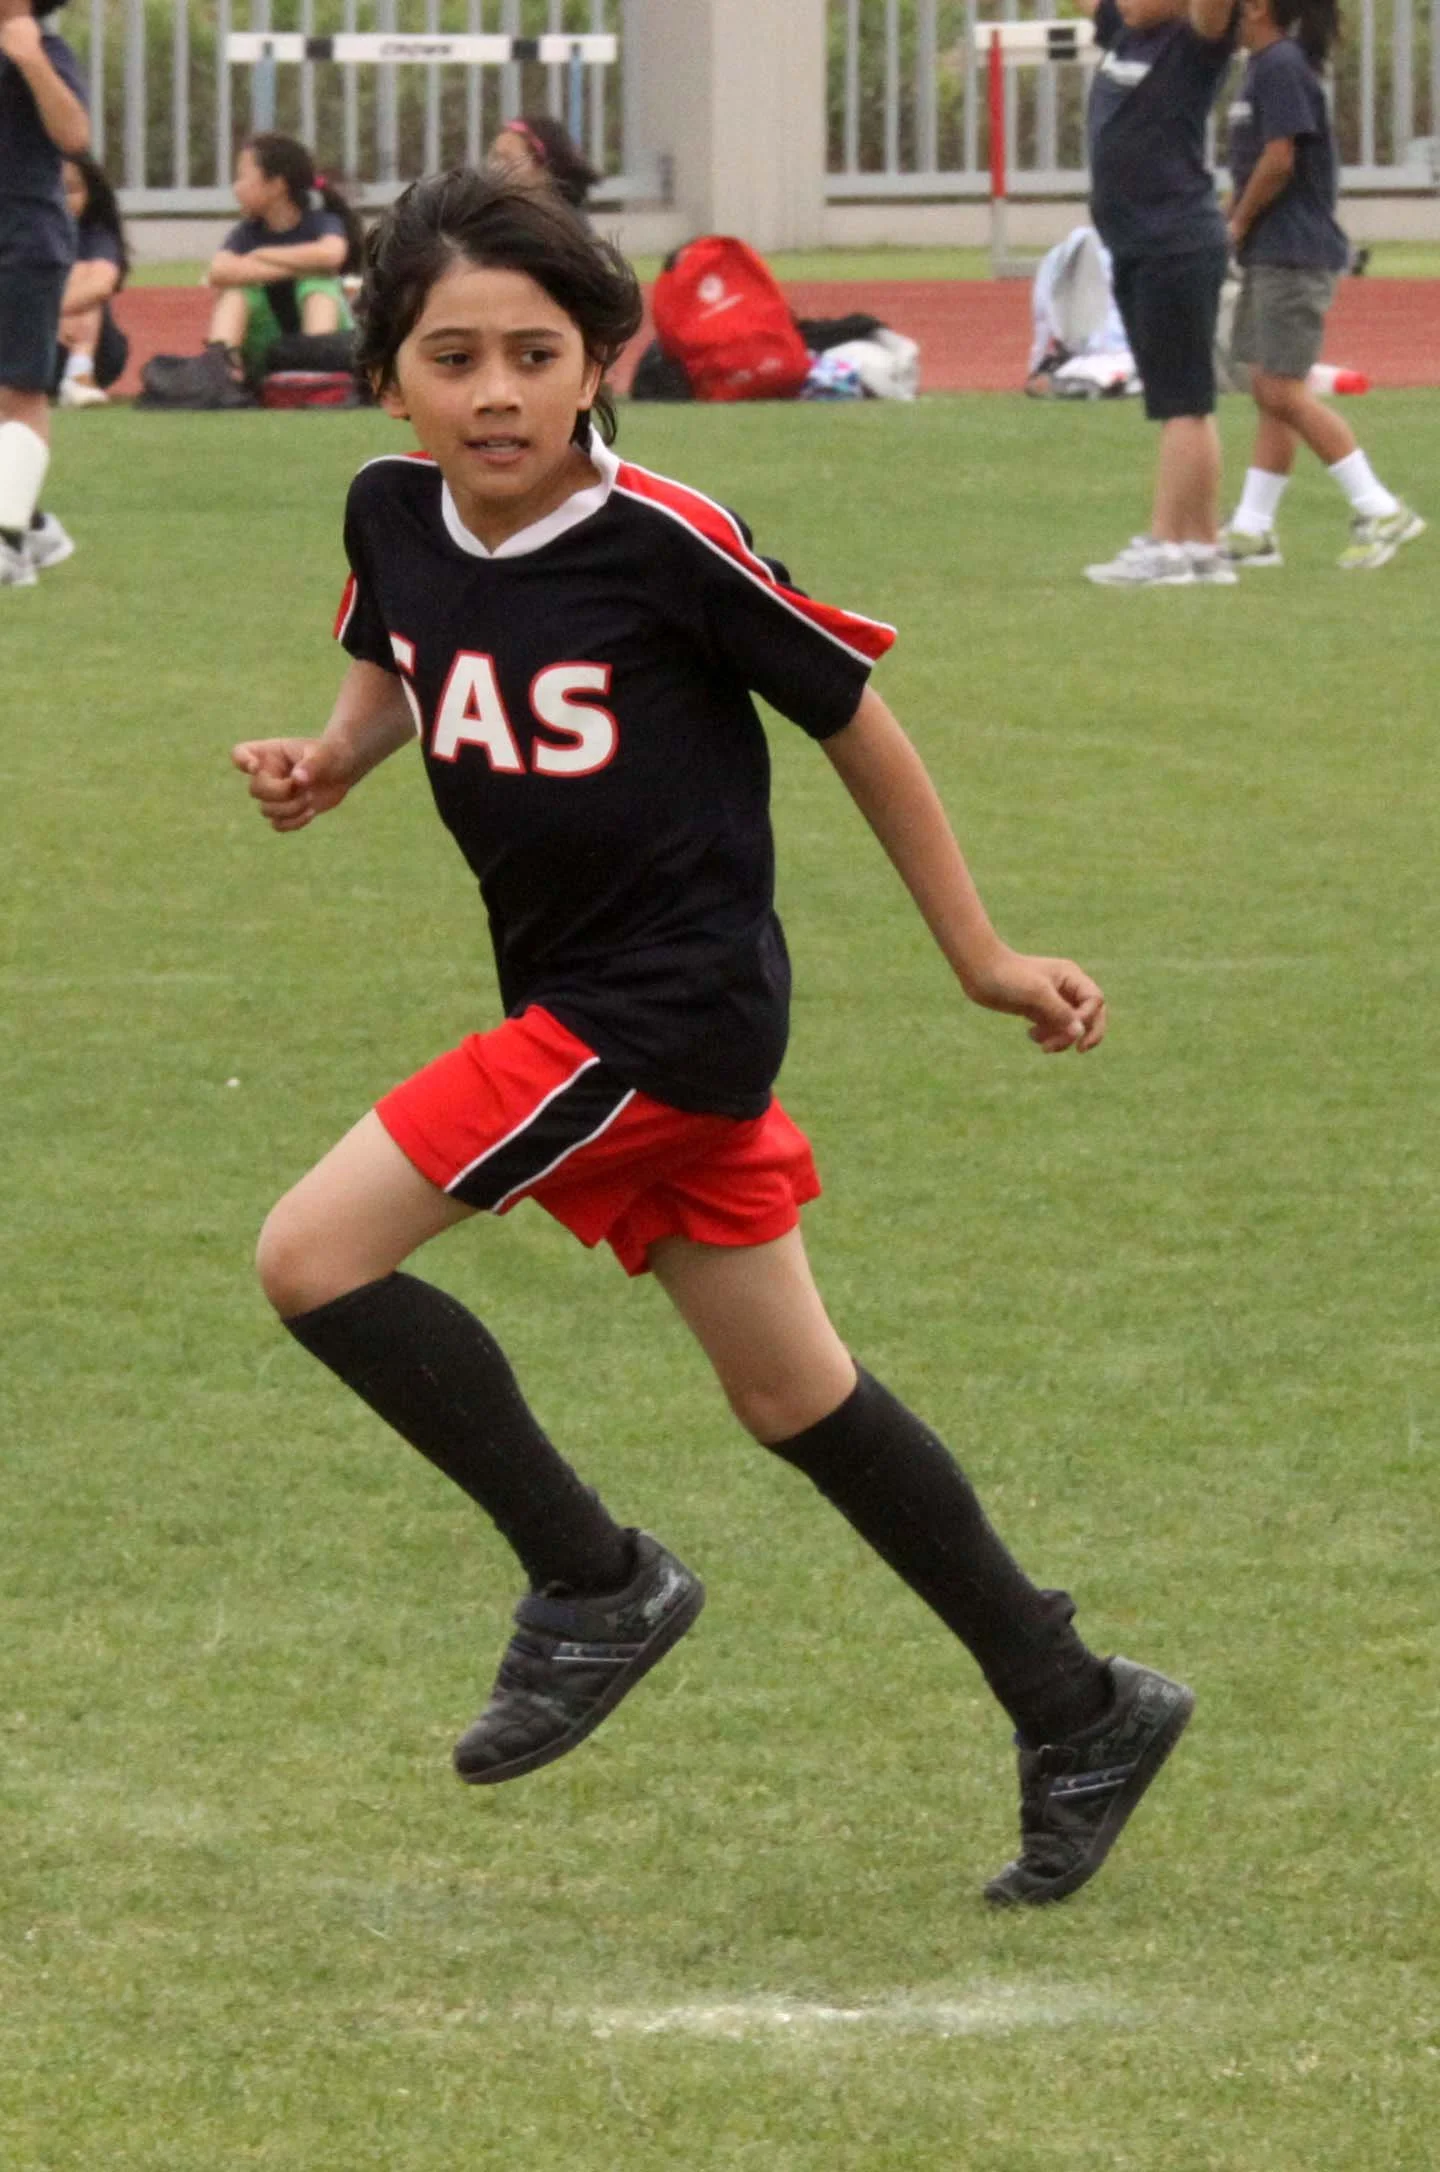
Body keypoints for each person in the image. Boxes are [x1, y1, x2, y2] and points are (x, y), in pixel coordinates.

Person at [231, 169, 1193, 1908]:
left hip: (661, 1016)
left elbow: (857, 721)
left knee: (312, 1256)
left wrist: (977, 954)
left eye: (538, 352)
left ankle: (592, 1578)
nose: (498, 391)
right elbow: (396, 655)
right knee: (792, 1391)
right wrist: (330, 761)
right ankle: (1080, 1702)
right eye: (454, 357)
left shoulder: (663, 538)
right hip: (583, 1006)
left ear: (605, 361)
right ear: (391, 379)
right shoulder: (390, 512)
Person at [1221, 0, 1424, 570]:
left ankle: (1379, 506)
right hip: (1271, 249)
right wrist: (1229, 218)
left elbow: (1280, 159)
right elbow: (1255, 163)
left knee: (1283, 391)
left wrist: (1237, 221)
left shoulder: (1281, 64)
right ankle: (1253, 530)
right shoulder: (1261, 66)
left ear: (1257, 7)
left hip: (1292, 251)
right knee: (1268, 389)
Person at [1076, 0, 1240, 586]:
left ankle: (1165, 545)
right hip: (1139, 241)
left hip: (1175, 237)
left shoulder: (1193, 39)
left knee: (1181, 404)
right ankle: (1203, 546)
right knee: (1188, 402)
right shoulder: (1125, 31)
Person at [0, 0, 88, 589]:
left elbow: (74, 135)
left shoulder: (46, 51)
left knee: (19, 390)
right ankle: (33, 526)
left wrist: (29, 54)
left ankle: (9, 543)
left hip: (25, 240)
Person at [204, 133, 364, 384]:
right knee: (237, 292)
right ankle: (222, 368)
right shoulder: (247, 233)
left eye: (243, 177)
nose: (236, 188)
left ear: (277, 185)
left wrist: (262, 256)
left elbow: (332, 254)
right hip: (268, 349)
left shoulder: (320, 222)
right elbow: (218, 271)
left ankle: (317, 366)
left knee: (318, 284)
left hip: (330, 350)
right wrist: (296, 267)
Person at [53, 151, 129, 407]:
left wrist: (55, 313)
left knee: (85, 280)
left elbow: (101, 285)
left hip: (94, 350)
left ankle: (79, 373)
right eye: (54, 189)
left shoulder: (94, 234)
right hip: (26, 340)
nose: (62, 199)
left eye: (72, 190)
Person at [487, 113, 600, 215]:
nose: (495, 168)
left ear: (546, 172)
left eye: (509, 160)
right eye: (495, 157)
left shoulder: (559, 229)